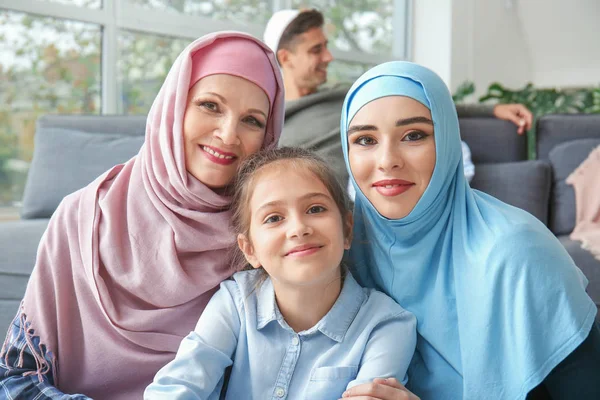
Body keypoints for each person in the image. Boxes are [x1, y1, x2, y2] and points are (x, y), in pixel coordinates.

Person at [0, 32, 285, 399]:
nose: (228, 134)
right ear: (174, 106)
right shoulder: (82, 217)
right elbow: (16, 377)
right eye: (210, 105)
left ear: (268, 137)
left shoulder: (264, 240)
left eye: (252, 120)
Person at [338, 61, 600, 400]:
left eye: (413, 135)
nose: (387, 160)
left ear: (448, 141)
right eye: (365, 139)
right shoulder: (338, 253)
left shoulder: (518, 254)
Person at [144, 147, 417, 399]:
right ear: (250, 249)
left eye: (315, 209)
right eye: (274, 218)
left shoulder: (387, 325)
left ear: (347, 229)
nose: (298, 229)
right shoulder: (236, 301)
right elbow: (179, 386)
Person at [263, 8, 533, 185]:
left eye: (326, 47)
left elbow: (419, 100)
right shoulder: (270, 123)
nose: (328, 57)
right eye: (316, 50)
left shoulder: (347, 95)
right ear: (286, 58)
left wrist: (492, 111)